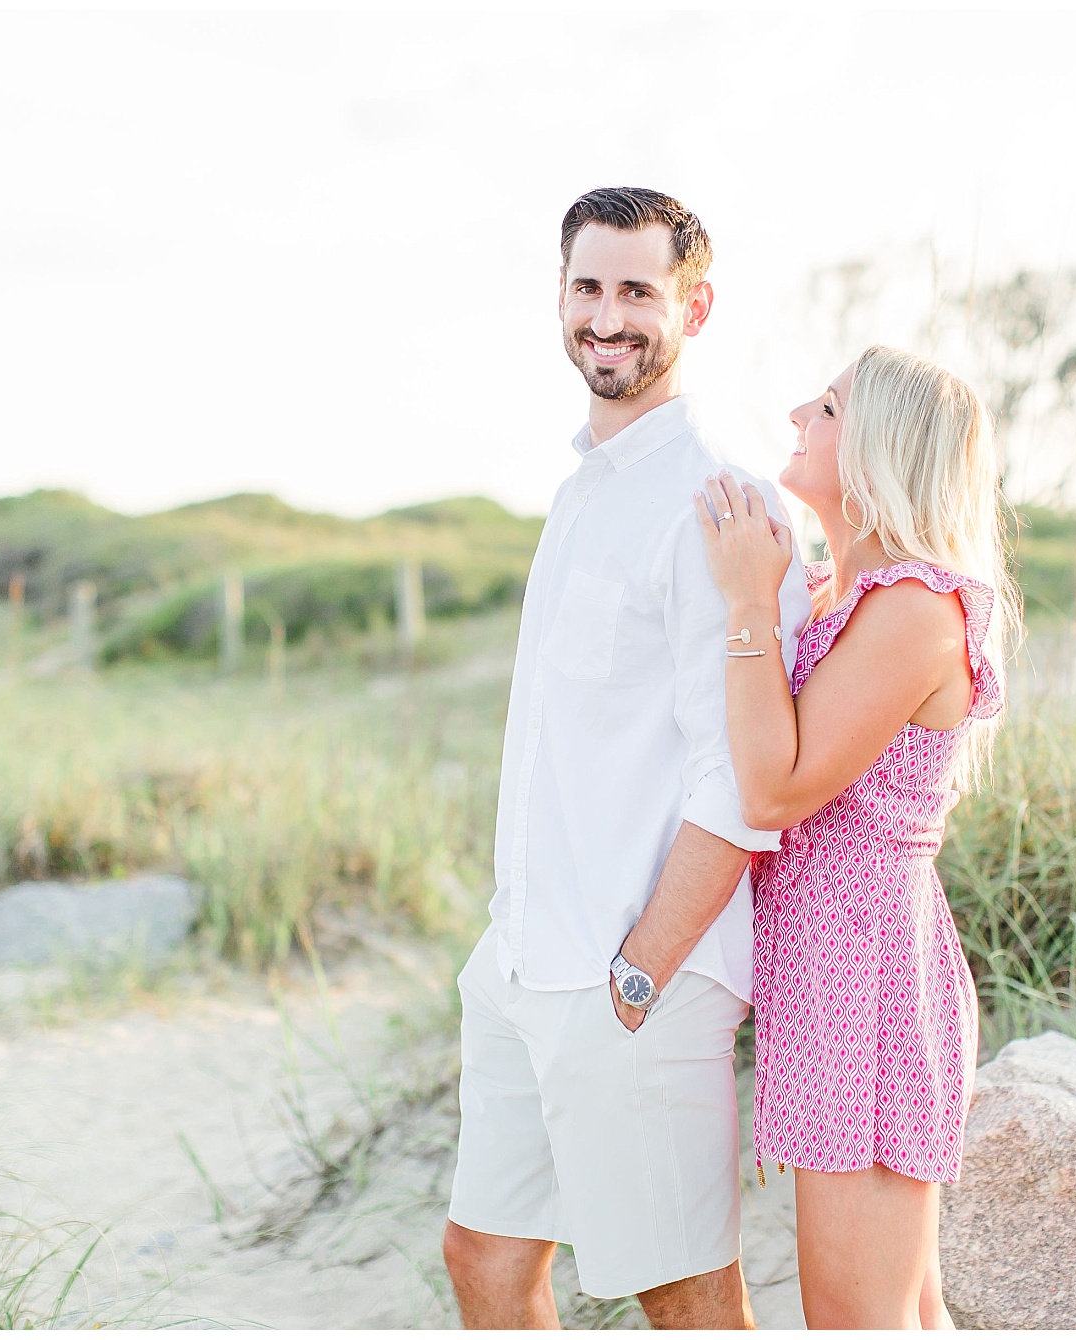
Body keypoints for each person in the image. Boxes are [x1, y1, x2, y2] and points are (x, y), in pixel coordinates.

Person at [440, 187, 811, 1329]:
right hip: (523, 959)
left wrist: (640, 973)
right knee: (485, 1260)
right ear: (560, 297)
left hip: (632, 977)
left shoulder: (720, 504)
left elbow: (740, 780)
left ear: (692, 307)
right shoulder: (578, 490)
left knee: (689, 1303)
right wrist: (510, 942)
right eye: (587, 287)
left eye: (636, 291)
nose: (607, 317)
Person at [691, 346, 1019, 1329]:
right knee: (895, 1313)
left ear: (878, 447)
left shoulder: (914, 608)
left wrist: (748, 600)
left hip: (864, 982)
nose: (797, 411)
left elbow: (776, 784)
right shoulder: (853, 598)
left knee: (857, 1320)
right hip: (837, 975)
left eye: (826, 406)